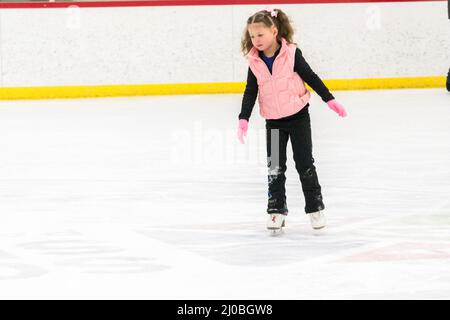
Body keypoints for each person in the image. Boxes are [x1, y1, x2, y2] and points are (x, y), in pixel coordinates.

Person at [237, 8, 347, 233]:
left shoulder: (292, 54)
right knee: (275, 167)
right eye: (252, 36)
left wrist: (330, 99)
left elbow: (311, 77)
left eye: (260, 35)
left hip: (298, 118)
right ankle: (276, 210)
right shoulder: (255, 61)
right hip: (274, 122)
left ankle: (315, 208)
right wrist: (243, 119)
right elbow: (250, 91)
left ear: (274, 31)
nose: (256, 40)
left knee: (305, 163)